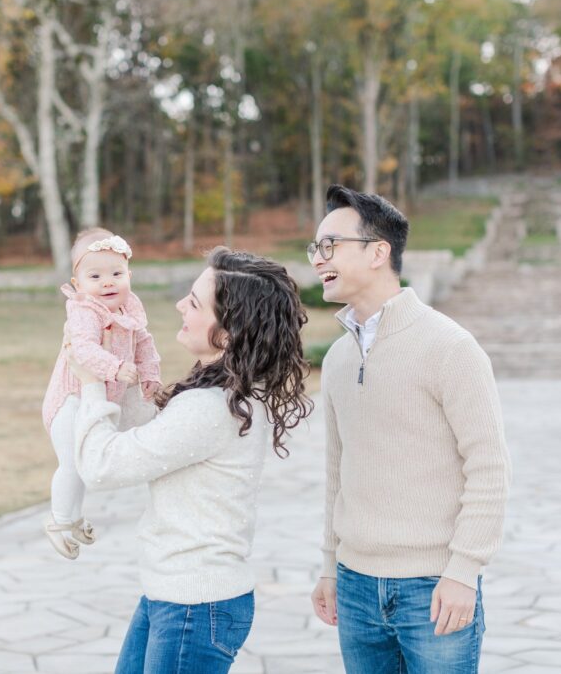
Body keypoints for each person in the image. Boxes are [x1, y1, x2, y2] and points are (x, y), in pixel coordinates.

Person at [66, 247, 312, 674]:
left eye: (195, 302)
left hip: (194, 607)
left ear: (228, 333)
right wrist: (121, 367)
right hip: (178, 597)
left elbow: (103, 467)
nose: (181, 305)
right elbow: (148, 437)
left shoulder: (210, 408)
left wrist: (90, 383)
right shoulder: (218, 397)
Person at [308, 184, 511, 674]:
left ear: (379, 252)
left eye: (330, 245)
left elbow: (489, 469)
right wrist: (331, 566)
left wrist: (464, 572)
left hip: (433, 587)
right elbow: (339, 471)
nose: (318, 259)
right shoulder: (337, 358)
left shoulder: (450, 347)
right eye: (316, 247)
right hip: (355, 586)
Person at [41, 228, 162, 559]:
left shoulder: (129, 310)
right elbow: (81, 348)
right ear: (78, 283)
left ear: (129, 276)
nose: (107, 282)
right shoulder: (84, 311)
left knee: (84, 463)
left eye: (116, 274)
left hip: (95, 402)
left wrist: (150, 374)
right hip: (70, 400)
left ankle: (74, 517)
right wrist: (114, 367)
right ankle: (58, 520)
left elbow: (145, 345)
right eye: (95, 276)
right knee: (71, 461)